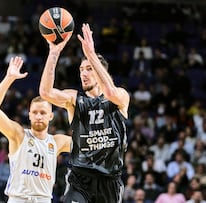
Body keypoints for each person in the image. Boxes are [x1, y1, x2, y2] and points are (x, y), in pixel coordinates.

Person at [39, 23, 130, 203]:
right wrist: (54, 52)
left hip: (110, 181)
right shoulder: (75, 99)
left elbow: (110, 92)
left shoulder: (120, 96)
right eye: (81, 69)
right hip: (80, 179)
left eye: (89, 69)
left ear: (100, 71)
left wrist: (91, 55)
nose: (84, 73)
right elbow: (45, 93)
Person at [0, 56, 72, 203]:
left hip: (43, 199)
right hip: (18, 198)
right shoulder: (18, 135)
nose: (39, 116)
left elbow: (87, 144)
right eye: (35, 112)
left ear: (51, 116)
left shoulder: (58, 141)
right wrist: (9, 78)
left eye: (43, 113)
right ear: (29, 115)